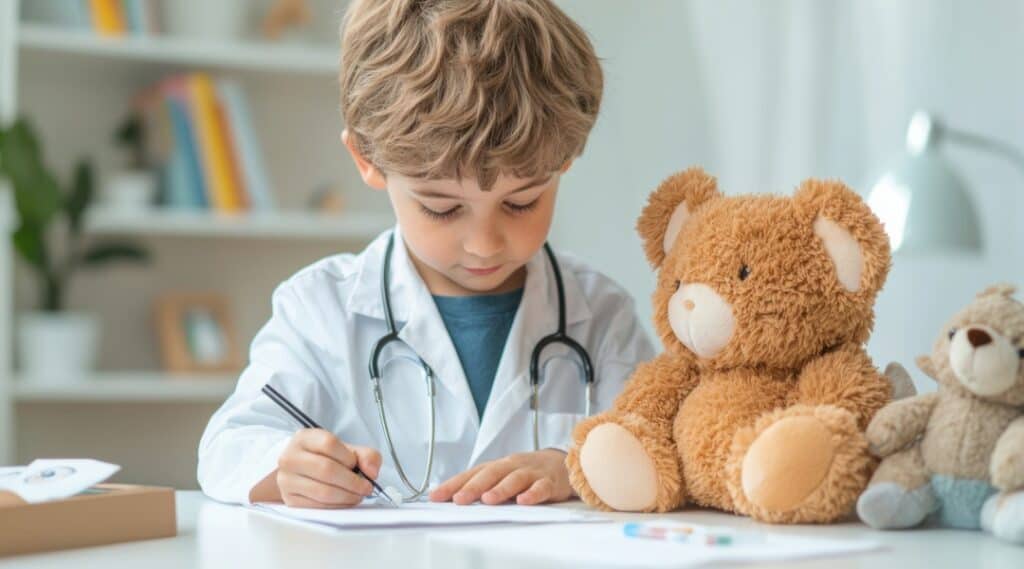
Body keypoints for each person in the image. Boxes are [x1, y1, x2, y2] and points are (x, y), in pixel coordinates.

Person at [197, 0, 654, 509]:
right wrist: (287, 466)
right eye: (442, 208)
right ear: (367, 160)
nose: (484, 243)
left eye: (521, 202)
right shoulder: (320, 310)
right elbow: (227, 447)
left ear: (564, 162)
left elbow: (658, 447)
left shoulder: (602, 316)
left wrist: (576, 467)